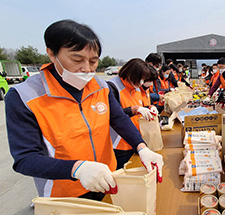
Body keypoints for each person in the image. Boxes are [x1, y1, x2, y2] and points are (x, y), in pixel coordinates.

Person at [5, 20, 163, 200]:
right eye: (77, 59)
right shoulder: (25, 96)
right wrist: (77, 168)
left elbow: (118, 119)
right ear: (52, 53)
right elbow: (25, 159)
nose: (87, 69)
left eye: (93, 61)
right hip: (65, 193)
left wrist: (141, 147)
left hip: (107, 180)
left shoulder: (100, 86)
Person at [107, 58, 159, 169]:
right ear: (130, 74)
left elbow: (140, 107)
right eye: (139, 79)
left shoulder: (137, 88)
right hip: (119, 145)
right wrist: (134, 109)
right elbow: (115, 116)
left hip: (136, 140)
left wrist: (150, 107)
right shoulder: (112, 87)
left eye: (143, 80)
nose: (141, 82)